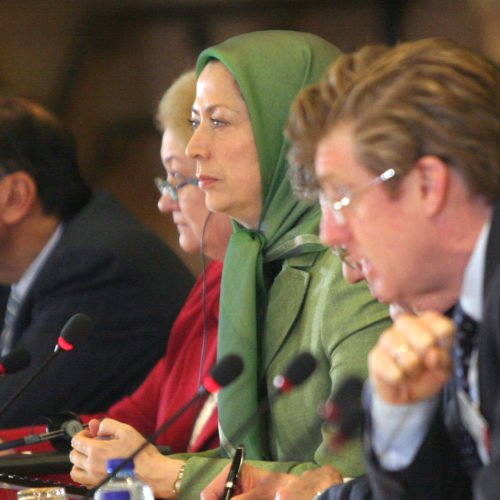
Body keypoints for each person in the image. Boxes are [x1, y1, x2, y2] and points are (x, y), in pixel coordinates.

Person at [70, 30, 391, 500]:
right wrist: (148, 464)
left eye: (218, 123)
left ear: (287, 132)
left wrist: (165, 473)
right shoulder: (246, 263)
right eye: (196, 121)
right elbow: (239, 461)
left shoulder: (355, 273)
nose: (196, 145)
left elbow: (349, 482)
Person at [271, 37, 500, 500]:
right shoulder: (452, 311)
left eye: (341, 198)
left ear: (427, 185)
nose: (331, 234)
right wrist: (403, 418)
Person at [0, 71, 234, 456]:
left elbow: (12, 409)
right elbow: (134, 416)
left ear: (16, 196)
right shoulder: (215, 281)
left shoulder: (98, 266)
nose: (163, 203)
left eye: (177, 179)